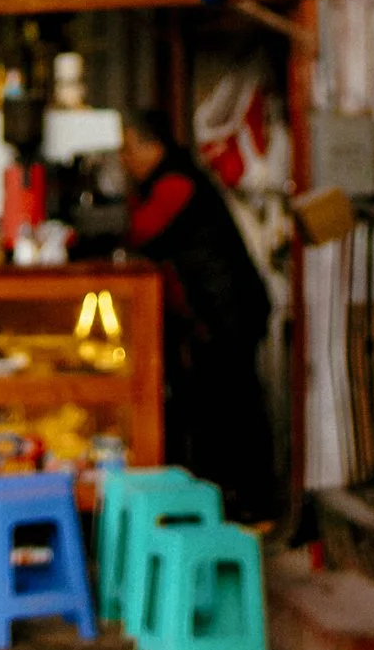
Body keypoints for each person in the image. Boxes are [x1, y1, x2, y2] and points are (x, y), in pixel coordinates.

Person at [118, 105, 277, 521]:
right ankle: (230, 502)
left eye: (129, 148)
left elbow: (141, 232)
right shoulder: (170, 180)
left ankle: (252, 505)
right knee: (219, 408)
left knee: (234, 408)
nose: (124, 159)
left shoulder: (176, 183)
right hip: (213, 314)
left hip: (229, 311)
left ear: (152, 147)